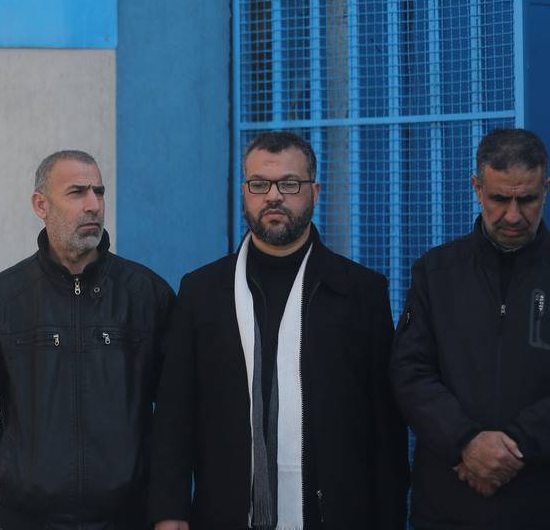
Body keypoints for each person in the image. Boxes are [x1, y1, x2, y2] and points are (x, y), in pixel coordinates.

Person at [150, 131, 408, 530]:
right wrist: (170, 513)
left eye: (290, 184)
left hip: (335, 514)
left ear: (314, 191)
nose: (274, 196)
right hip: (225, 512)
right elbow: (174, 413)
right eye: (259, 184)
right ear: (244, 192)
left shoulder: (361, 292)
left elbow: (386, 428)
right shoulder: (202, 291)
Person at [0, 149, 175, 530]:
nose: (93, 206)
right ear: (41, 204)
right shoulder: (0, 300)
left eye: (99, 192)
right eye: (77, 193)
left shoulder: (147, 296)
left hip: (128, 516)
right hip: (30, 518)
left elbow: (176, 410)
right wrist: (12, 467)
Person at [392, 127, 550, 529]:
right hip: (448, 504)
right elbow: (409, 371)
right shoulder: (436, 271)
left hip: (538, 502)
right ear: (477, 187)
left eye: (527, 199)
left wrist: (514, 447)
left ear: (545, 189)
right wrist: (466, 442)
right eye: (499, 198)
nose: (513, 215)